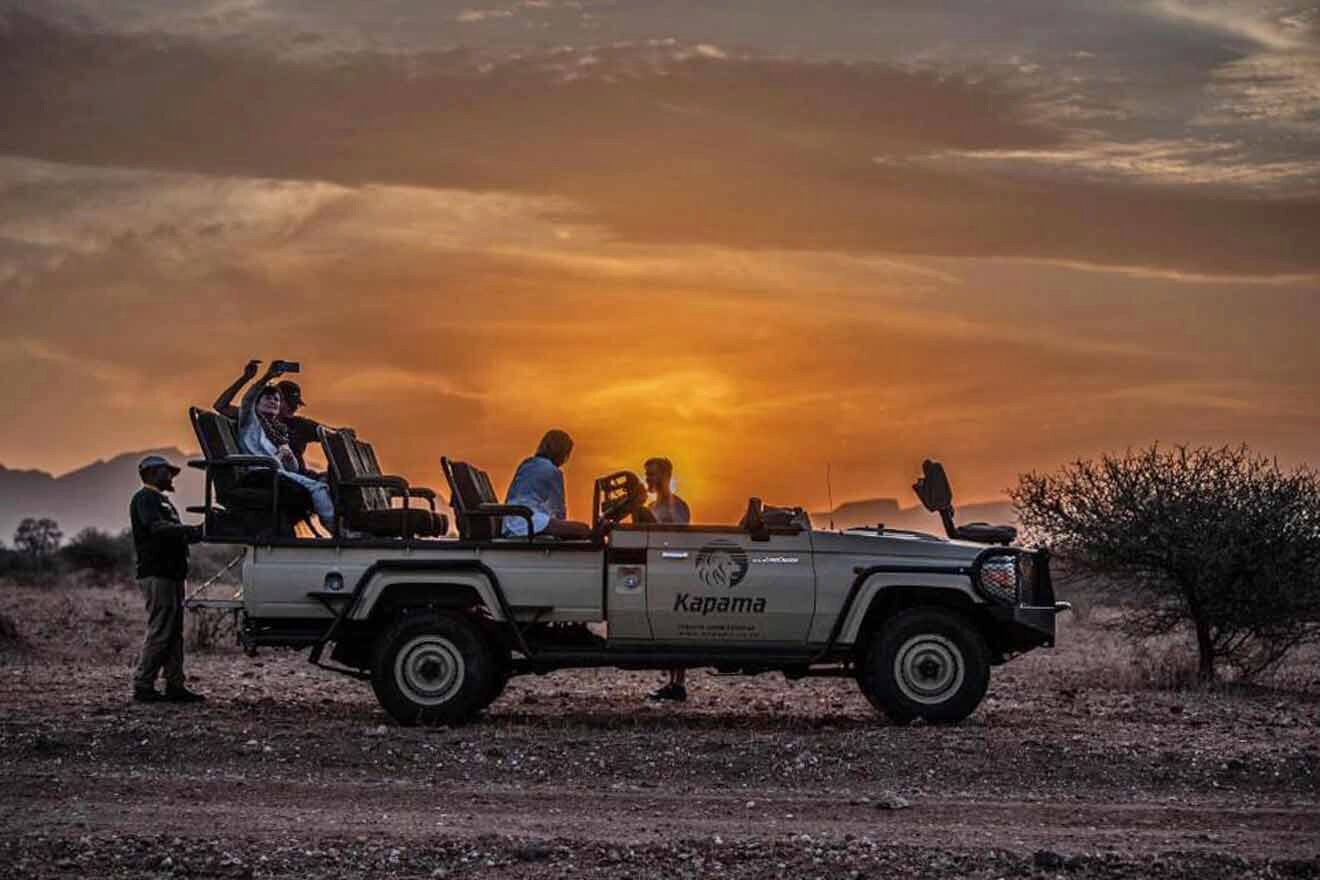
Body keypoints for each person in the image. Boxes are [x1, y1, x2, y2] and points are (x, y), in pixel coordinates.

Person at [130, 455, 206, 704]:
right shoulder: (145, 498)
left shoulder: (161, 500)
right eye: (167, 472)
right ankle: (143, 685)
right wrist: (191, 531)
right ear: (152, 473)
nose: (171, 476)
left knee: (173, 632)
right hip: (157, 573)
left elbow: (174, 534)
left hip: (172, 573)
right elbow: (157, 529)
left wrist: (201, 532)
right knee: (162, 630)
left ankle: (175, 685)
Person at [237, 362, 337, 532]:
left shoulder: (279, 432)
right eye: (267, 398)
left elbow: (292, 467)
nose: (273, 402)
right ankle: (338, 532)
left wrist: (288, 457)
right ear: (257, 403)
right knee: (318, 488)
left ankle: (339, 528)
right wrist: (267, 377)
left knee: (325, 483)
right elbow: (248, 399)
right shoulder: (251, 421)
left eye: (276, 399)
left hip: (276, 473)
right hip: (260, 473)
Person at [214, 360, 327, 474]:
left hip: (296, 474)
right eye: (288, 402)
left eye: (296, 405)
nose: (293, 408)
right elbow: (221, 406)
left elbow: (330, 434)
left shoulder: (300, 424)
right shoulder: (254, 420)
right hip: (275, 477)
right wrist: (245, 378)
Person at [644, 456, 693, 702]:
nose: (648, 479)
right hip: (658, 570)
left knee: (676, 627)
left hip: (675, 570)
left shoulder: (678, 505)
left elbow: (679, 535)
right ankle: (673, 683)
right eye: (647, 474)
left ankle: (679, 683)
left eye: (652, 474)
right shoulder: (652, 507)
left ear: (666, 476)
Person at [502, 429, 593, 540]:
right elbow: (559, 510)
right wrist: (564, 529)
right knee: (582, 529)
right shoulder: (553, 471)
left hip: (510, 521)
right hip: (529, 521)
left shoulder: (526, 464)